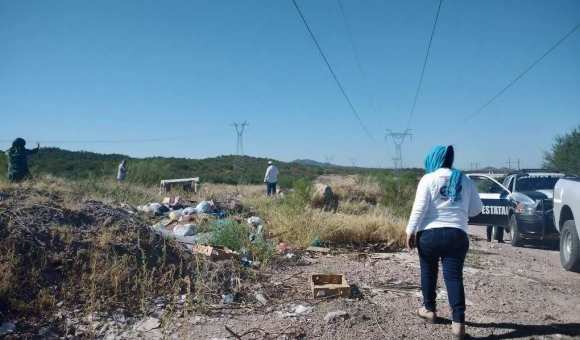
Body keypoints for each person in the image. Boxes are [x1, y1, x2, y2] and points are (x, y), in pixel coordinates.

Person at [406, 145, 482, 339]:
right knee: (454, 277)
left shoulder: (428, 179)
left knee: (428, 271)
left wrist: (410, 231)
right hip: (457, 235)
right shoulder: (464, 179)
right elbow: (476, 210)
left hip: (429, 235)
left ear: (434, 159)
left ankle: (429, 310)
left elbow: (419, 209)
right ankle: (458, 324)